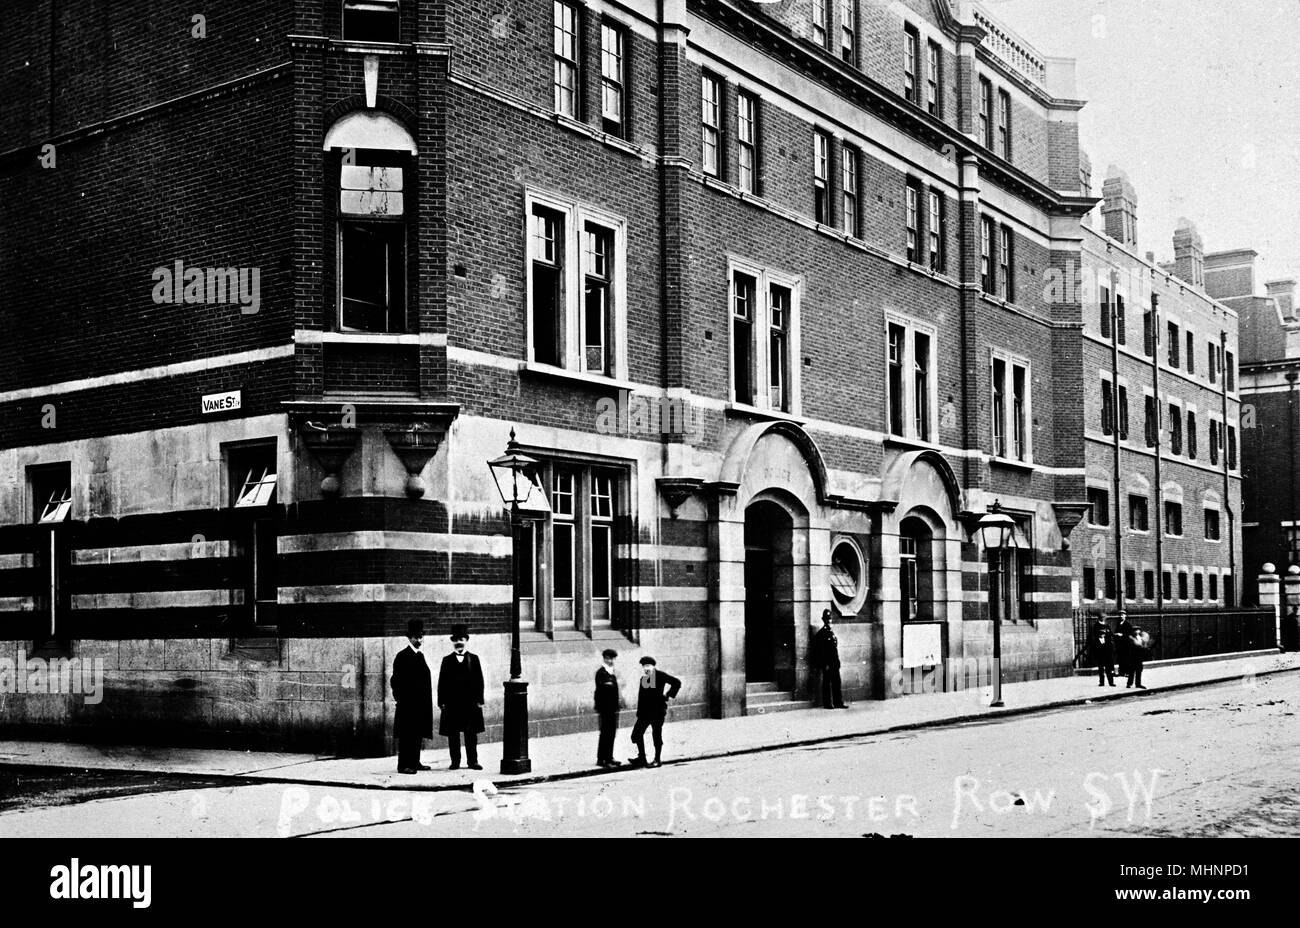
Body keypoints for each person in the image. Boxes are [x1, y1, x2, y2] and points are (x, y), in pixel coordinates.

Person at [437, 624, 486, 769]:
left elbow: (479, 680)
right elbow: (442, 682)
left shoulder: (474, 659)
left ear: (466, 640)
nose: (459, 642)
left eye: (462, 639)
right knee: (453, 735)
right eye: (456, 639)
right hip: (453, 703)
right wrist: (441, 702)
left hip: (470, 703)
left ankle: (473, 761)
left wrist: (480, 699)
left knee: (471, 734)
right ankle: (455, 761)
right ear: (452, 641)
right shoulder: (447, 660)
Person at [391, 618, 433, 774]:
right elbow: (395, 681)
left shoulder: (420, 656)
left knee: (417, 734)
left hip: (420, 705)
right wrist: (402, 700)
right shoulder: (402, 656)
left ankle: (415, 762)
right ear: (409, 637)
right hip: (408, 705)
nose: (419, 640)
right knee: (407, 735)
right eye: (416, 637)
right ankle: (404, 765)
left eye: (421, 636)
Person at [629, 656, 681, 768]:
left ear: (653, 666)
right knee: (636, 735)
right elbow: (641, 698)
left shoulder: (660, 675)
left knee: (656, 735)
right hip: (645, 713)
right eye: (644, 666)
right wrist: (639, 712)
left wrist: (668, 695)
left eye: (648, 666)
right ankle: (642, 758)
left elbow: (676, 682)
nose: (646, 668)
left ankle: (657, 760)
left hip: (657, 712)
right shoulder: (644, 679)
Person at [811, 608, 849, 709]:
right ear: (823, 620)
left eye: (830, 619)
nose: (829, 621)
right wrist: (825, 664)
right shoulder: (821, 633)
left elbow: (834, 649)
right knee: (827, 683)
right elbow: (821, 651)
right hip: (827, 663)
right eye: (827, 619)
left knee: (837, 682)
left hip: (834, 662)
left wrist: (837, 661)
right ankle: (827, 703)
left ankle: (838, 702)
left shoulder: (831, 633)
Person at [593, 649, 623, 768]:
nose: (610, 661)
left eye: (612, 659)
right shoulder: (601, 673)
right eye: (608, 658)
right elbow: (604, 689)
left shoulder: (611, 673)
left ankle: (609, 757)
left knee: (611, 733)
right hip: (605, 708)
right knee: (605, 732)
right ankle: (602, 759)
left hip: (613, 708)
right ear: (604, 659)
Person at [1117, 613, 1147, 690]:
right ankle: (1129, 683)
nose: (1137, 632)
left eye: (1138, 630)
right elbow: (1133, 646)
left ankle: (1138, 684)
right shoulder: (1131, 638)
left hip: (1140, 656)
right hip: (1133, 656)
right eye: (1135, 630)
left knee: (1139, 670)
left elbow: (1144, 645)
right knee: (1132, 670)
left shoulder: (1140, 637)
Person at [1090, 617, 1116, 687]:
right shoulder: (1096, 641)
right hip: (1100, 657)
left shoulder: (1107, 641)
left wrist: (1110, 655)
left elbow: (1110, 649)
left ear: (1105, 635)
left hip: (1107, 657)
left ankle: (1111, 682)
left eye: (1103, 634)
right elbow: (1095, 650)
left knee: (1108, 670)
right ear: (1099, 635)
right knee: (1101, 670)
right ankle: (1102, 682)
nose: (1102, 635)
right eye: (1101, 634)